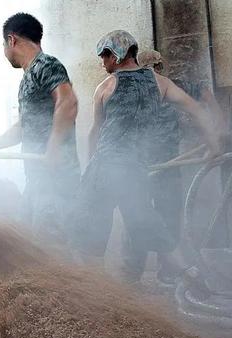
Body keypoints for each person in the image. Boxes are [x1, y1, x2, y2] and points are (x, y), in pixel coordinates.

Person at [70, 31, 221, 281]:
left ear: (117, 55)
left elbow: (95, 132)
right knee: (147, 225)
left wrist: (88, 170)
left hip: (105, 169)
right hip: (134, 172)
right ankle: (192, 275)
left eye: (105, 55)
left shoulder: (106, 86)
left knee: (86, 232)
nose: (103, 62)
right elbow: (197, 109)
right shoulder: (162, 84)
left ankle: (93, 291)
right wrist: (213, 144)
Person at [0, 12, 80, 243]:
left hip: (55, 179)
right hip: (38, 179)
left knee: (51, 246)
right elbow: (24, 128)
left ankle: (67, 278)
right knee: (24, 239)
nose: (4, 52)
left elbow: (68, 102)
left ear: (12, 40)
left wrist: (53, 148)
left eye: (3, 45)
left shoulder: (46, 64)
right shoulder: (28, 76)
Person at [121, 49, 227, 284]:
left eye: (157, 68)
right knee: (137, 219)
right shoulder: (128, 90)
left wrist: (216, 130)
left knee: (169, 216)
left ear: (161, 67)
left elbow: (205, 97)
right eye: (149, 69)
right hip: (139, 167)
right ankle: (131, 274)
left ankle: (167, 271)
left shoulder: (173, 86)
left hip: (168, 166)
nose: (154, 73)